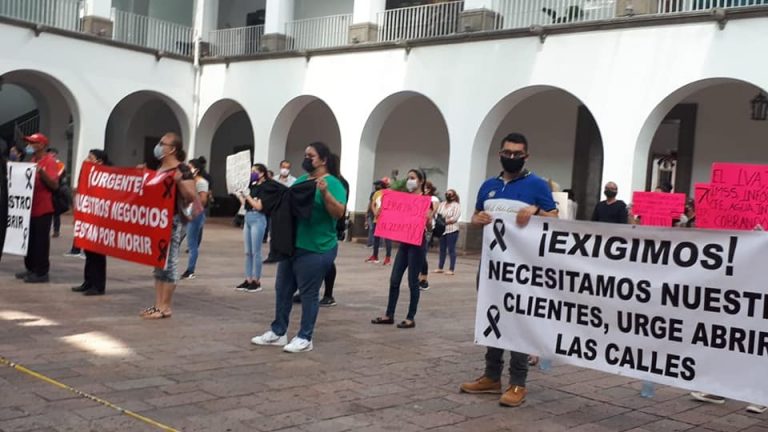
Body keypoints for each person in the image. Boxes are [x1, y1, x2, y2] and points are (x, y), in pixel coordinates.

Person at [459, 132, 558, 407]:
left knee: (517, 321)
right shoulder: (487, 186)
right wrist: (476, 218)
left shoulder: (537, 185)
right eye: (507, 152)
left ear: (526, 157)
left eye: (517, 153)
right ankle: (492, 376)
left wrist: (537, 214)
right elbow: (477, 215)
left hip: (521, 271)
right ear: (500, 154)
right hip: (490, 268)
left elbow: (554, 218)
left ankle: (518, 382)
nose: (511, 157)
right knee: (492, 317)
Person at [251, 142, 346, 353]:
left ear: (323, 159)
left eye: (310, 155)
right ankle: (278, 332)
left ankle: (305, 337)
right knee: (282, 289)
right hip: (293, 245)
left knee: (308, 293)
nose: (306, 159)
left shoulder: (333, 182)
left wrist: (326, 193)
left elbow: (339, 213)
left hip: (317, 247)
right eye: (305, 154)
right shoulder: (302, 181)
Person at [139, 132, 197, 319]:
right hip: (157, 220)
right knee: (158, 264)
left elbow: (191, 196)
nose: (158, 146)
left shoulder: (182, 170)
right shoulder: (158, 167)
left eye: (162, 143)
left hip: (173, 221)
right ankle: (157, 304)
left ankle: (166, 306)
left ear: (172, 149)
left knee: (170, 263)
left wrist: (179, 182)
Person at [370, 169, 433, 329]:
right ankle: (389, 314)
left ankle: (410, 317)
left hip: (417, 243)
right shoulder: (402, 199)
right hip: (405, 242)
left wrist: (428, 220)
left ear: (420, 181)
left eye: (412, 178)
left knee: (413, 281)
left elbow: (430, 226)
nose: (409, 181)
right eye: (408, 178)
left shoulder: (426, 201)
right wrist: (381, 213)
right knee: (394, 279)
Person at [14, 133, 60, 283]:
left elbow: (54, 185)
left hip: (43, 208)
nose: (30, 145)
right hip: (29, 208)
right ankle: (31, 268)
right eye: (29, 142)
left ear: (42, 145)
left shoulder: (50, 162)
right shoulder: (32, 159)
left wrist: (41, 172)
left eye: (33, 142)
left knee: (40, 242)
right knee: (30, 240)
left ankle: (41, 272)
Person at [71, 150, 111, 296]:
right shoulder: (89, 174)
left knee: (98, 253)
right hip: (88, 218)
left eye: (90, 158)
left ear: (99, 161)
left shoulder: (106, 176)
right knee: (88, 251)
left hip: (100, 220)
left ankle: (98, 285)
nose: (87, 160)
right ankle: (88, 282)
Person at [235, 163, 269, 293]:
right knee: (248, 252)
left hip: (258, 218)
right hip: (248, 217)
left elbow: (259, 206)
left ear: (261, 173)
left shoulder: (265, 188)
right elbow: (246, 204)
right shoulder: (252, 186)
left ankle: (256, 280)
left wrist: (247, 195)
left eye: (254, 171)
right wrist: (240, 195)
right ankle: (248, 279)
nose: (252, 174)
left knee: (256, 251)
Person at [181, 157, 210, 280]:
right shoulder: (189, 181)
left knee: (192, 244)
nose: (188, 169)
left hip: (195, 214)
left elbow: (203, 200)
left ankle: (190, 269)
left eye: (190, 167)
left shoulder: (201, 182)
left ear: (196, 169)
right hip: (186, 213)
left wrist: (193, 209)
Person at [418, 181, 441, 290]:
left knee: (422, 254)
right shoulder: (418, 197)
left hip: (428, 229)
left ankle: (424, 279)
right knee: (416, 254)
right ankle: (417, 277)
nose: (425, 190)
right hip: (416, 229)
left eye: (427, 188)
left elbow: (433, 211)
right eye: (423, 188)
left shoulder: (433, 199)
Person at [365, 177, 393, 265]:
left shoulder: (390, 193)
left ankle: (386, 257)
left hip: (386, 219)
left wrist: (378, 211)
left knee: (386, 239)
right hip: (378, 219)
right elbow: (373, 204)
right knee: (378, 238)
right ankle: (376, 256)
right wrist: (375, 212)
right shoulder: (377, 193)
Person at [434, 189, 461, 275]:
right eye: (447, 194)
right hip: (442, 230)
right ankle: (440, 267)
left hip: (452, 230)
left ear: (454, 196)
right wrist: (439, 222)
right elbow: (437, 214)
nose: (448, 195)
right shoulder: (442, 204)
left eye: (450, 194)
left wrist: (444, 222)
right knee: (442, 249)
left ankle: (451, 269)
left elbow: (455, 218)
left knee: (451, 249)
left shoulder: (456, 205)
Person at [47, 148, 66, 238]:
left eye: (53, 153)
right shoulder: (46, 163)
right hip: (46, 189)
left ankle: (56, 230)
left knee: (56, 212)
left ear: (56, 154)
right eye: (50, 153)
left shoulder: (60, 164)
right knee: (46, 212)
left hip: (56, 190)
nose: (51, 154)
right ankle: (46, 229)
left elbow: (58, 175)